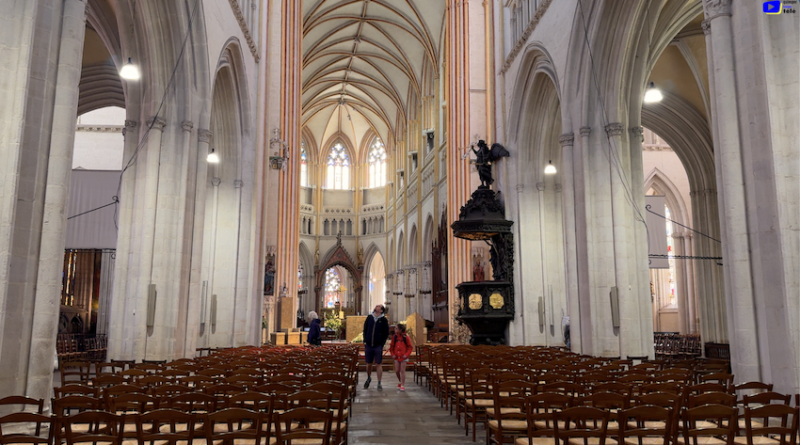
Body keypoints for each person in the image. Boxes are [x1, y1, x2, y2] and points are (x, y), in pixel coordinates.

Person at [362, 304, 389, 391]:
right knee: (368, 363)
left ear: (381, 310)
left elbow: (386, 333)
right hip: (369, 344)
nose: (376, 306)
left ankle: (379, 382)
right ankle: (369, 377)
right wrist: (365, 340)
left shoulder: (384, 320)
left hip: (378, 345)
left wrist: (382, 343)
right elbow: (365, 329)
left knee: (378, 363)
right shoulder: (370, 317)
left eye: (378, 306)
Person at [389, 323, 413, 391]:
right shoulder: (394, 337)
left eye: (396, 328)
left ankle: (402, 384)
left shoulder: (406, 337)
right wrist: (392, 354)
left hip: (403, 356)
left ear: (400, 330)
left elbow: (410, 347)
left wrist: (406, 354)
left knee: (402, 370)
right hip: (397, 356)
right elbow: (392, 346)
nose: (395, 329)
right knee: (396, 370)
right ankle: (400, 381)